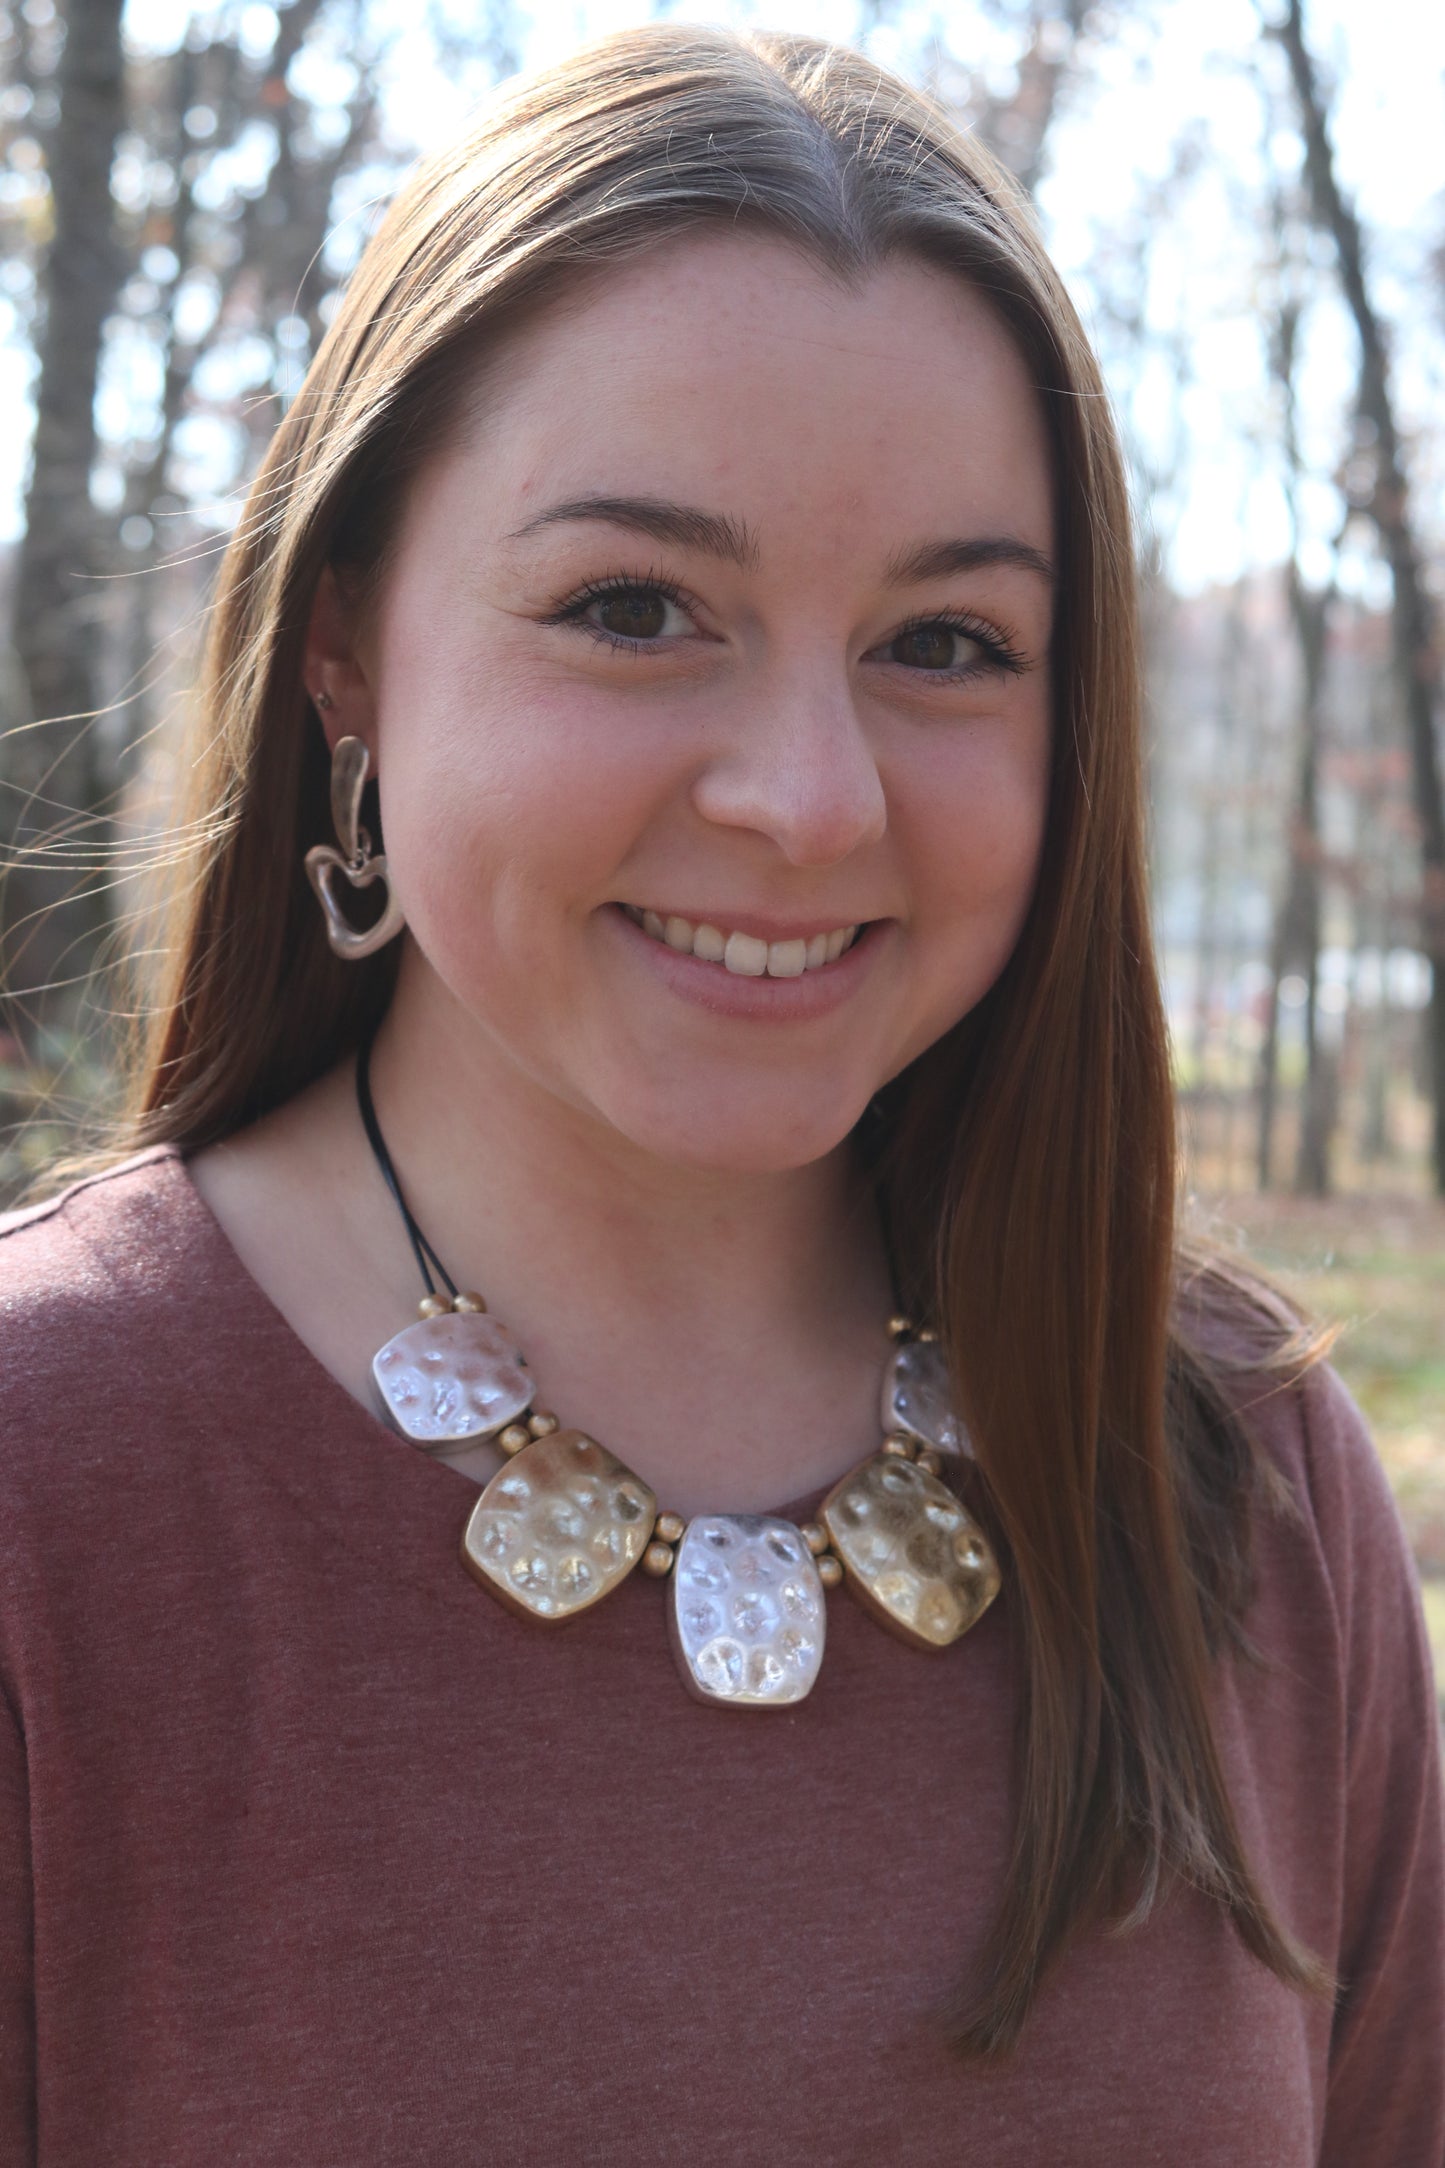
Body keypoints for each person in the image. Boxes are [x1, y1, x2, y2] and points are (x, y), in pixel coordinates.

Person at [1, 23, 1440, 2165]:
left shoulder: (1249, 1486)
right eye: (637, 607)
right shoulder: (47, 1491)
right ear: (342, 651)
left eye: (945, 642)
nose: (807, 797)